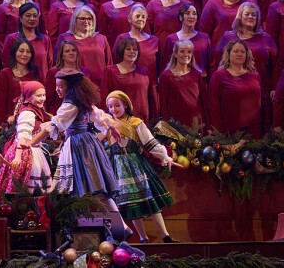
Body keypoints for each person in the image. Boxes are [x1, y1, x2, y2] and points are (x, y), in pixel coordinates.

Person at [32, 71, 125, 228]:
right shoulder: (83, 100)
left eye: (61, 86)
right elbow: (100, 117)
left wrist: (31, 142)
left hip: (79, 146)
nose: (57, 90)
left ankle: (113, 227)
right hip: (86, 142)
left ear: (72, 87)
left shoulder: (70, 104)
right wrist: (111, 127)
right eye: (56, 86)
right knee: (97, 188)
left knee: (83, 187)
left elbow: (54, 126)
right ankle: (120, 226)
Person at [102, 90, 180, 244]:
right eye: (110, 107)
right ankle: (143, 238)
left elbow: (150, 143)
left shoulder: (136, 123)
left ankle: (165, 236)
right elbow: (100, 145)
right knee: (132, 205)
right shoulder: (107, 125)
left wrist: (165, 156)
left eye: (117, 105)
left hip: (136, 166)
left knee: (149, 199)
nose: (113, 109)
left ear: (126, 105)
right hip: (117, 167)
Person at [208, 40, 263, 136]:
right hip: (230, 131)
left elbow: (263, 102)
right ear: (228, 54)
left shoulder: (255, 75)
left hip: (254, 130)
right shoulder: (219, 75)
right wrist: (218, 131)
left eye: (242, 52)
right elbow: (214, 104)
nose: (239, 54)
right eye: (236, 51)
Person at [157, 39, 207, 129]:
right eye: (182, 51)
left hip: (197, 123)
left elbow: (204, 101)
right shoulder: (165, 76)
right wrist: (168, 126)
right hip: (176, 124)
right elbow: (163, 104)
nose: (186, 55)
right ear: (175, 54)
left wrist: (209, 126)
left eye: (189, 52)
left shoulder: (197, 74)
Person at [102, 38, 153, 123]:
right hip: (119, 120)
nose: (132, 52)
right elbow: (104, 97)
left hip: (141, 119)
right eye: (128, 49)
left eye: (135, 49)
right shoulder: (110, 71)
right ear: (122, 51)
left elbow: (150, 97)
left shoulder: (144, 71)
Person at [0, 38, 41, 123]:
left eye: (28, 51)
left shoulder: (35, 73)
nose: (25, 54)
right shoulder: (5, 73)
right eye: (21, 51)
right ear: (14, 52)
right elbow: (1, 104)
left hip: (31, 120)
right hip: (10, 121)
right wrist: (3, 125)